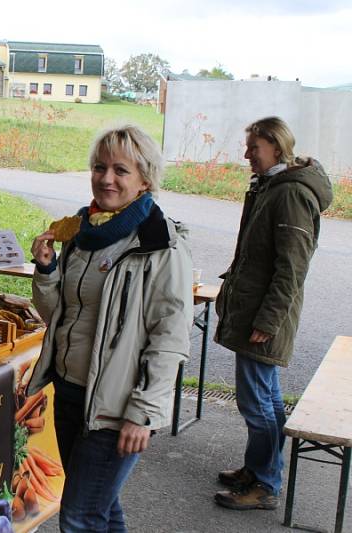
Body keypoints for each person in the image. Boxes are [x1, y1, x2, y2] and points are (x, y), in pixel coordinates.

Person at [27, 125, 193, 532]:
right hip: (69, 393)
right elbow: (59, 314)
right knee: (101, 506)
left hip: (115, 408)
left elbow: (169, 339)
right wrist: (47, 270)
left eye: (121, 170)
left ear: (145, 179)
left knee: (81, 516)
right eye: (100, 167)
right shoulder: (83, 234)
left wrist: (144, 413)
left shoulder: (160, 245)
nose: (106, 178)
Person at [213, 117, 333, 510]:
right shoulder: (272, 187)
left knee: (257, 403)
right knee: (266, 398)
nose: (247, 155)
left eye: (254, 148)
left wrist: (267, 321)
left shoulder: (291, 194)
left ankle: (264, 484)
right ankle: (259, 469)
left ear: (277, 148)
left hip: (263, 319)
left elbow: (292, 268)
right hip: (255, 311)